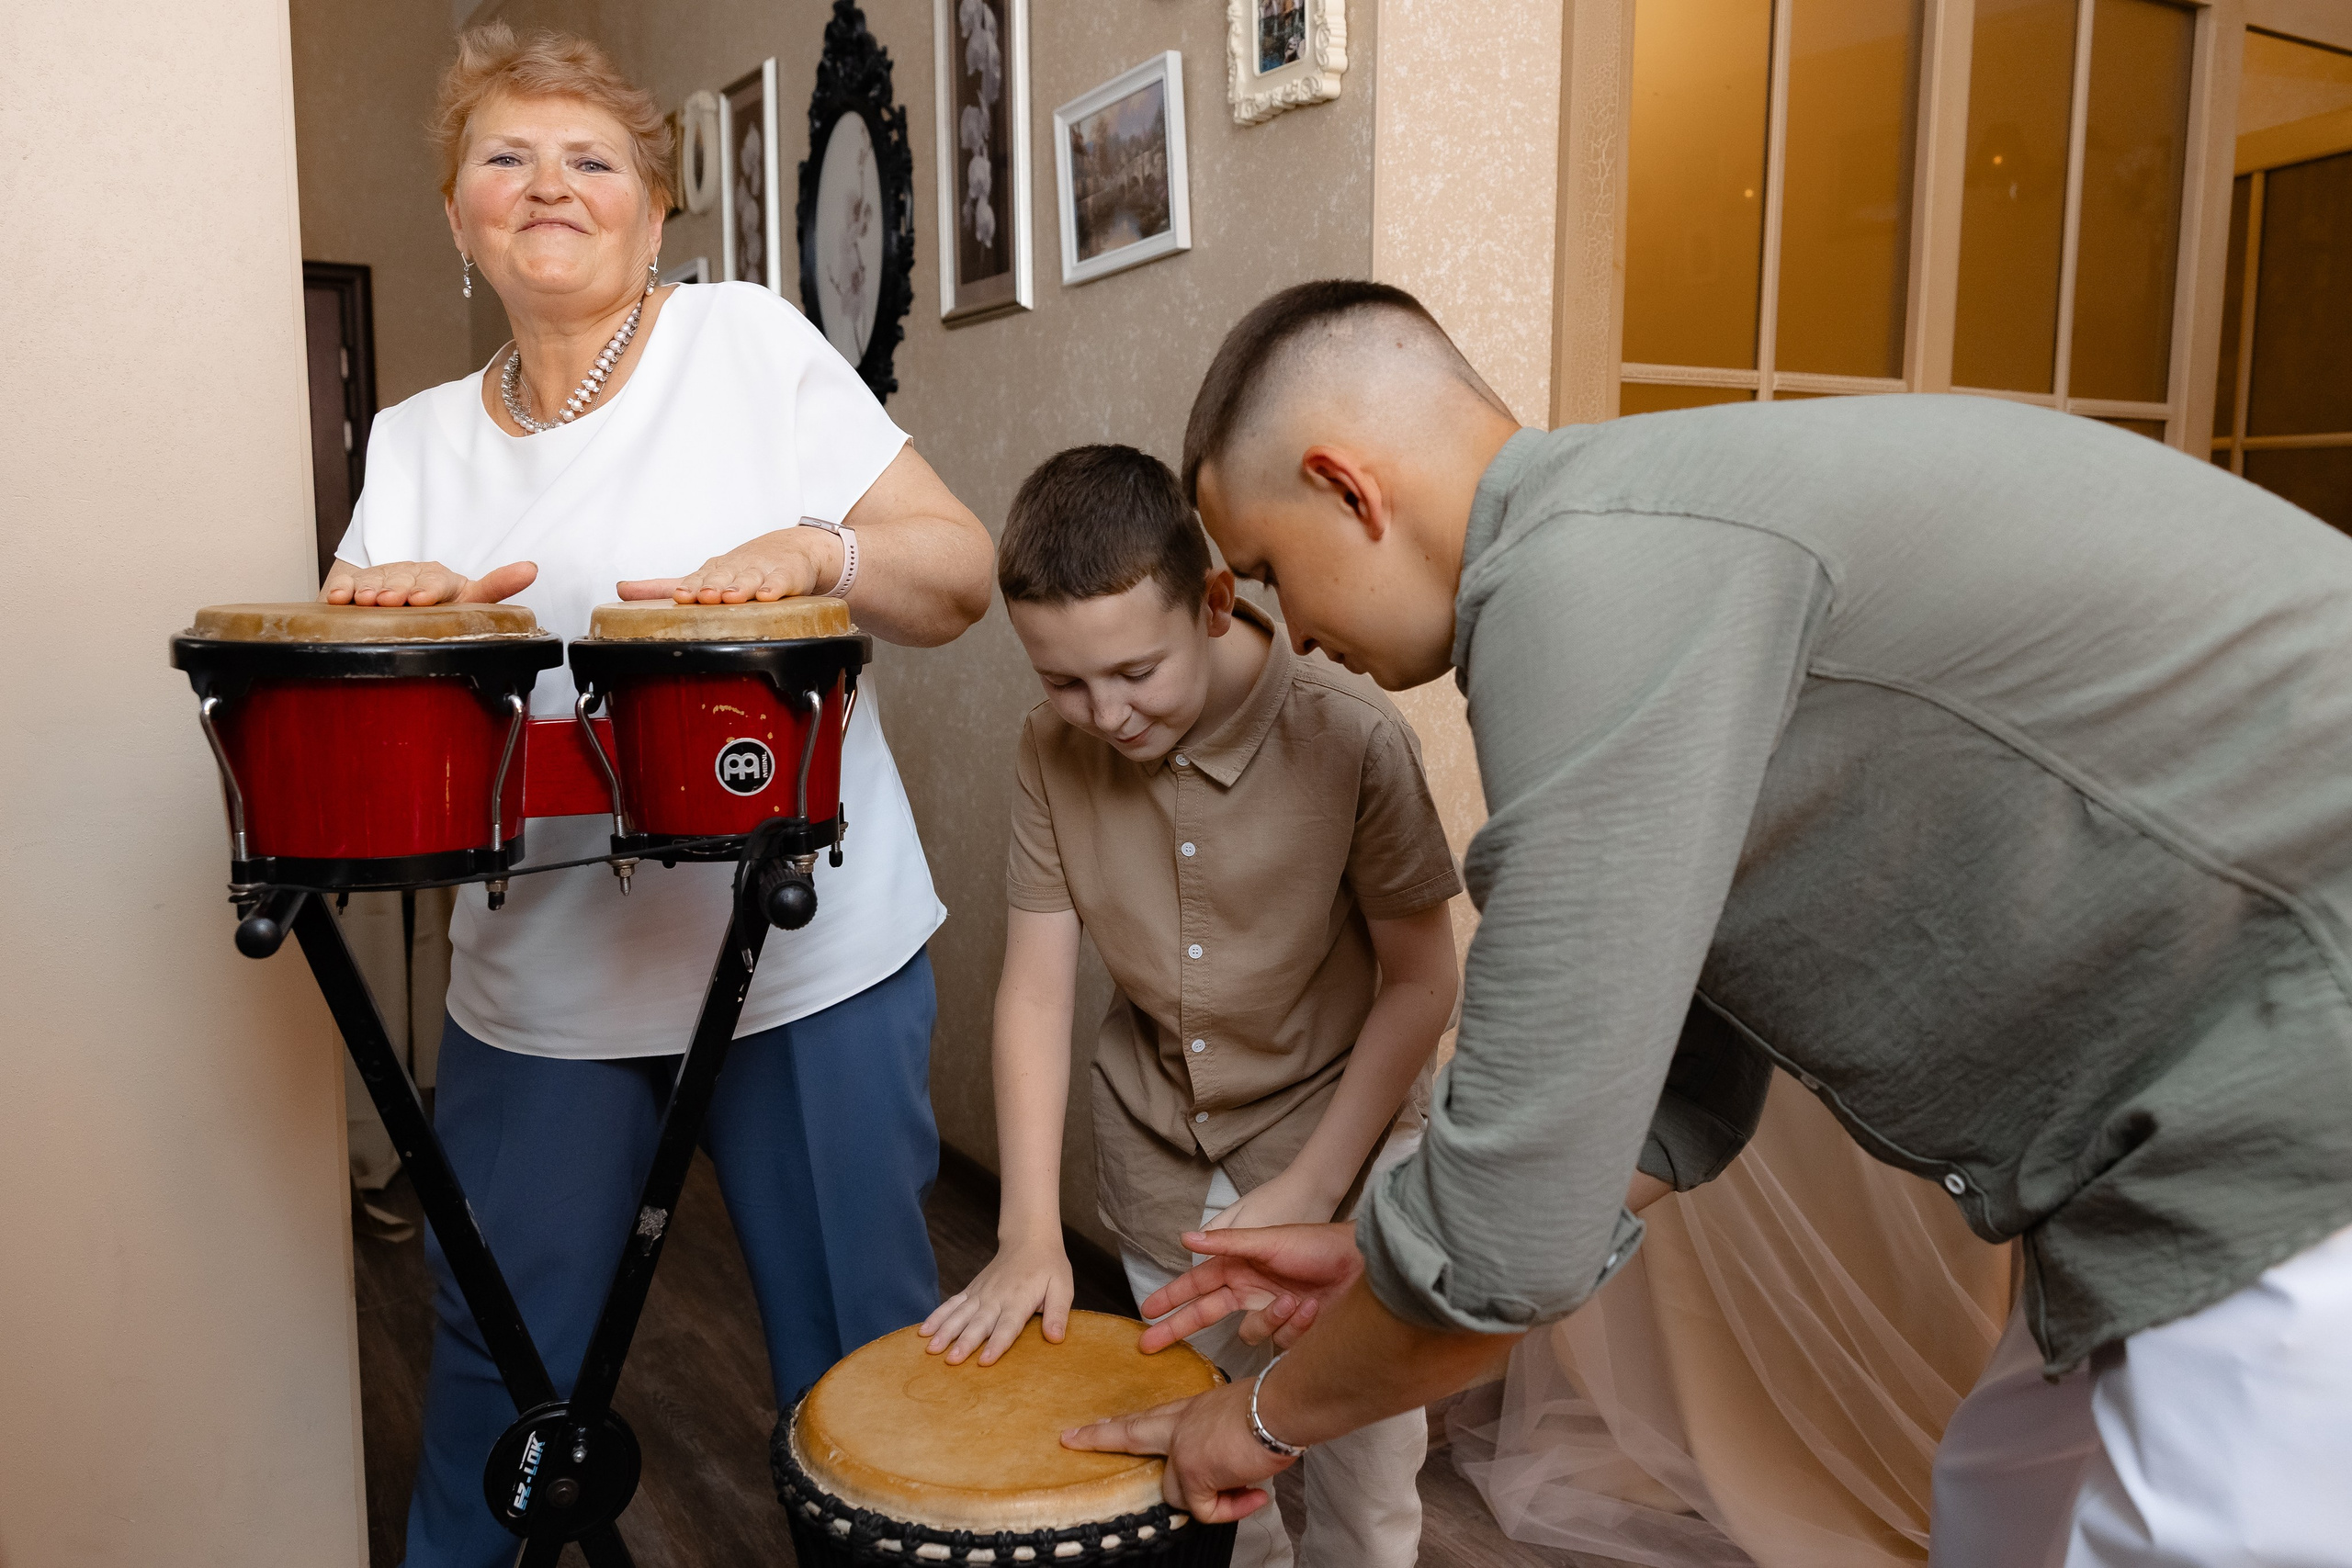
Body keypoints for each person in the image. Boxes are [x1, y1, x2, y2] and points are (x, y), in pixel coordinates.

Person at [1062, 279, 2352, 1568]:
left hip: (2285, 1069)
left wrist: (1259, 1416)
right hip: (2193, 1075)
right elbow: (1679, 1065)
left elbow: (1509, 1244)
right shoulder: (1625, 539)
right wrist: (1374, 1247)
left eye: (1276, 570)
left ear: (1350, 487)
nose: (1295, 628)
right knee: (2003, 1496)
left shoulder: (1582, 584)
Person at [322, 27, 993, 1568]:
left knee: (863, 1361)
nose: (547, 184)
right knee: (500, 1360)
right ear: (454, 214)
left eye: (591, 159)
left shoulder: (745, 344)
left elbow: (955, 575)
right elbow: (359, 737)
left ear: (650, 208)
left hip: (804, 952)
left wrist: (822, 551)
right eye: (505, 155)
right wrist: (400, 626)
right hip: (542, 982)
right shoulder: (415, 440)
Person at [916, 446, 1462, 1568]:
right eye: (1063, 682)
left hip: (1341, 1162)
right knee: (1207, 1478)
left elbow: (1423, 982)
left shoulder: (1353, 738)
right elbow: (1034, 988)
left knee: (1365, 1479)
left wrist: (1312, 1187)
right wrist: (1024, 1231)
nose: (1103, 714)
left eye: (1131, 672)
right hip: (1160, 1159)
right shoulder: (1047, 749)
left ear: (1214, 602)